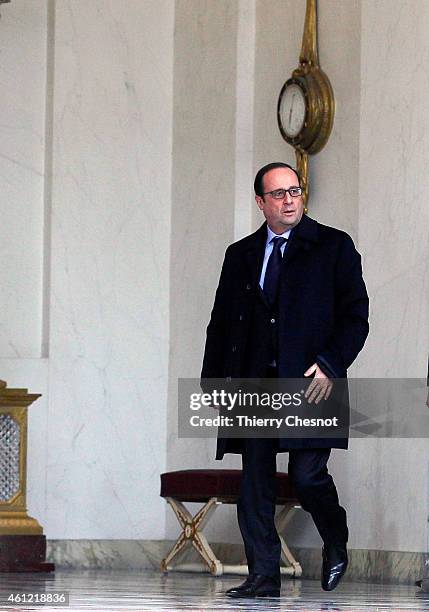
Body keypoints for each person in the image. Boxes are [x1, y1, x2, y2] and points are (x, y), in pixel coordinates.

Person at [201, 162, 369, 598]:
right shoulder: (239, 254)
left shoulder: (333, 246)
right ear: (261, 202)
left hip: (313, 381)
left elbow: (356, 316)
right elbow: (219, 324)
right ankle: (263, 575)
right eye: (278, 194)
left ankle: (336, 536)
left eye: (295, 191)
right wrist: (213, 383)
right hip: (252, 382)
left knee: (307, 475)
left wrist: (331, 363)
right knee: (254, 480)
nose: (290, 199)